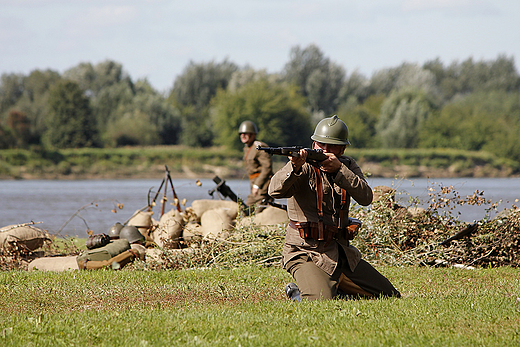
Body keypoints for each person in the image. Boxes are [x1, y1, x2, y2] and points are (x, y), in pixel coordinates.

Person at [268, 115, 401, 301]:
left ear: (342, 149)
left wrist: (340, 170)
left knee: (390, 296)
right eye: (321, 145)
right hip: (304, 251)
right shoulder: (302, 166)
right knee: (320, 301)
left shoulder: (347, 166)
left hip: (340, 252)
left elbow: (366, 197)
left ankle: (337, 288)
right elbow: (274, 190)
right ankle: (297, 293)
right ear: (313, 145)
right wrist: (294, 167)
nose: (325, 150)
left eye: (332, 147)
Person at [238, 120, 274, 213]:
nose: (243, 136)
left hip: (263, 187)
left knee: (259, 213)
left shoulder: (260, 147)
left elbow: (267, 168)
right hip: (254, 186)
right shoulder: (247, 148)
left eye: (246, 133)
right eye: (241, 134)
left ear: (253, 134)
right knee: (246, 210)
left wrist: (257, 185)